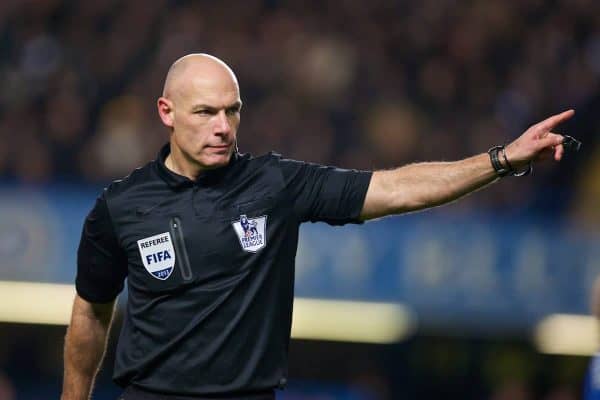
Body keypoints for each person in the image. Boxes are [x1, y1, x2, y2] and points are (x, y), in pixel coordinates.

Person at [61, 53, 574, 400]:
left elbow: (396, 188)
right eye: (205, 112)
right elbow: (91, 311)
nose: (223, 126)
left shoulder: (275, 185)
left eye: (231, 111)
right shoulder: (121, 205)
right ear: (166, 113)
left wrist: (503, 159)